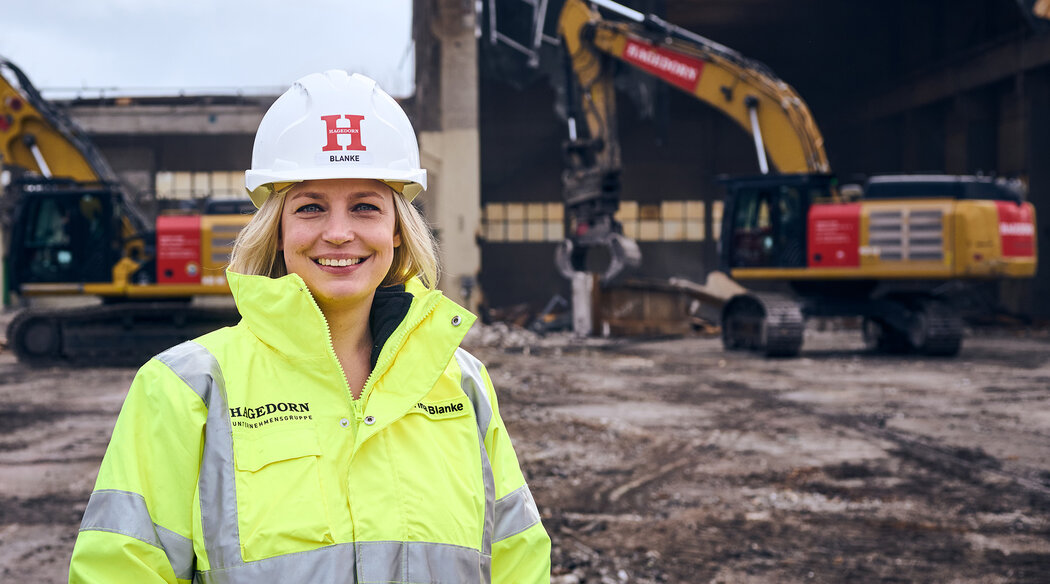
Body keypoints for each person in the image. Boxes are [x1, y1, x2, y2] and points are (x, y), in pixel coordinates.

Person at [68, 70, 551, 583]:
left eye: (365, 207)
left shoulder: (462, 382)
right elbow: (120, 569)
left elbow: (517, 560)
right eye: (311, 207)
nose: (338, 233)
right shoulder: (186, 387)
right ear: (277, 230)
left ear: (396, 230)